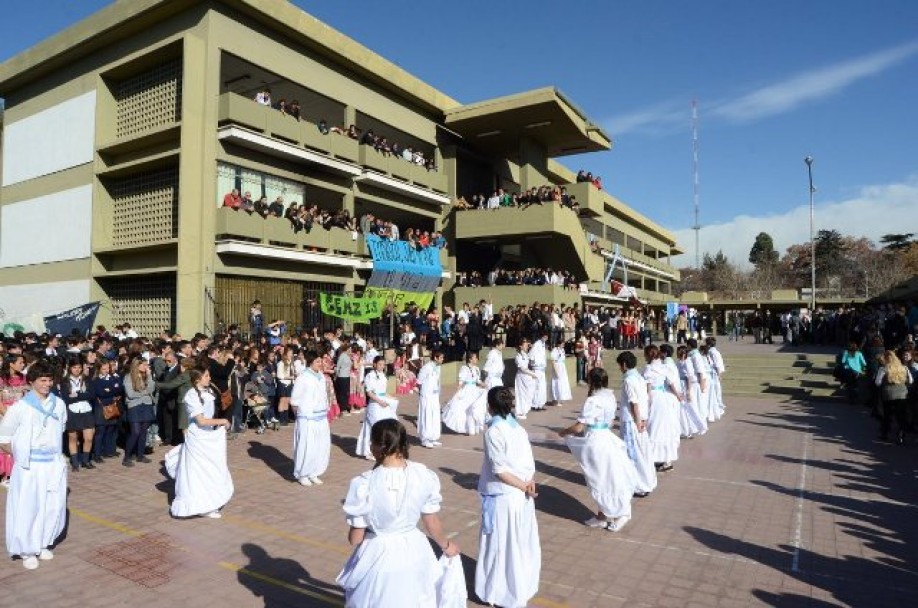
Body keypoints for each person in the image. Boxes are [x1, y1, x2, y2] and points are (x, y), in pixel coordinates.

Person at [336, 419, 460, 606]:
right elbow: (431, 521)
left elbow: (355, 539)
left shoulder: (363, 484)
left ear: (374, 446)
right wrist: (446, 545)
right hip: (415, 549)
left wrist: (355, 526)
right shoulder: (423, 475)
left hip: (379, 553)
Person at [475, 387, 540, 607]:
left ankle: (500, 593)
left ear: (490, 406)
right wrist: (529, 483)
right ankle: (517, 588)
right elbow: (529, 463)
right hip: (521, 494)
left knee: (499, 546)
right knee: (518, 545)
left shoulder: (494, 432)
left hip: (504, 496)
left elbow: (499, 470)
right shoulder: (518, 429)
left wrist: (524, 485)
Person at [0, 361, 68, 570]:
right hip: (29, 468)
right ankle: (27, 549)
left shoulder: (59, 404)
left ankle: (43, 543)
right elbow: (4, 437)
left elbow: (61, 428)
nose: (48, 384)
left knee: (52, 505)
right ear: (31, 382)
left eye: (50, 380)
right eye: (43, 380)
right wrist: (21, 455)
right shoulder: (20, 407)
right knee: (28, 507)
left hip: (52, 464)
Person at [559, 368, 638, 531]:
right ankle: (602, 516)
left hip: (596, 441)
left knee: (600, 479)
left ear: (592, 381)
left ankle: (620, 513)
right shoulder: (609, 396)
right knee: (604, 478)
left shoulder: (592, 400)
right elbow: (608, 422)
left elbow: (579, 427)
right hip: (606, 437)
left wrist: (564, 432)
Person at [165, 369, 234, 518]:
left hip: (207, 435)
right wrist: (222, 421)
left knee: (209, 469)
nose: (209, 378)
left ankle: (210, 500)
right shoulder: (191, 395)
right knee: (198, 471)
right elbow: (201, 420)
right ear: (197, 379)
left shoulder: (208, 390)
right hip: (197, 436)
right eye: (206, 376)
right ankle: (201, 505)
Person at [616, 351, 657, 497]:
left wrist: (638, 420)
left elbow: (634, 403)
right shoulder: (639, 377)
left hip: (631, 422)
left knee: (633, 454)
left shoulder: (629, 380)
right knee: (641, 452)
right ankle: (643, 482)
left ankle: (638, 484)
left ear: (624, 365)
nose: (620, 369)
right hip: (639, 419)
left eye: (620, 366)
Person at [290, 351, 330, 486]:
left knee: (320, 445)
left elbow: (324, 394)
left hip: (320, 415)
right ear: (311, 362)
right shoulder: (303, 377)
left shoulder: (321, 377)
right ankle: (303, 473)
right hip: (307, 416)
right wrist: (301, 415)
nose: (320, 364)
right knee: (307, 445)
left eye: (321, 361)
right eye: (318, 361)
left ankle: (314, 472)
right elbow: (295, 399)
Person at [642, 345, 681, 472]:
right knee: (664, 428)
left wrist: (645, 403)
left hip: (654, 397)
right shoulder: (663, 367)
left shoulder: (648, 369)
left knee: (653, 428)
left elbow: (647, 388)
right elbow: (671, 382)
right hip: (664, 398)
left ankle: (653, 458)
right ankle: (666, 459)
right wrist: (677, 395)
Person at [57, 357, 96, 472]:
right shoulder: (65, 381)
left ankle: (85, 460)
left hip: (86, 410)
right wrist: (82, 395)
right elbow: (66, 398)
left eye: (79, 367)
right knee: (73, 437)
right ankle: (75, 462)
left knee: (88, 437)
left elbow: (91, 395)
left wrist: (77, 394)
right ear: (70, 368)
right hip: (72, 411)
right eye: (74, 367)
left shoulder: (87, 380)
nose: (77, 370)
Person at [355, 357, 398, 459]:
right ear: (374, 364)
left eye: (383, 364)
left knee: (387, 425)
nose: (382, 367)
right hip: (375, 404)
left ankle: (383, 448)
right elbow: (369, 393)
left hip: (383, 402)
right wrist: (379, 401)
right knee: (375, 427)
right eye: (380, 364)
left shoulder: (383, 375)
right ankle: (369, 451)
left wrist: (390, 397)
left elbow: (383, 392)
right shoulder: (370, 376)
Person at [442, 352, 488, 436]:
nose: (477, 359)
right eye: (475, 357)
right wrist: (458, 391)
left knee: (475, 409)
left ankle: (475, 427)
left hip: (475, 390)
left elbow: (478, 380)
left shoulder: (477, 369)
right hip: (467, 390)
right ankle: (469, 428)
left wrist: (484, 385)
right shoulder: (464, 368)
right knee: (467, 409)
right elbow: (461, 381)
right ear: (470, 359)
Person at [123, 358, 156, 467]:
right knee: (135, 432)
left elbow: (151, 390)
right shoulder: (128, 377)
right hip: (134, 406)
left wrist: (150, 376)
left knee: (143, 432)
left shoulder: (146, 376)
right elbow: (130, 394)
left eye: (147, 365)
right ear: (137, 365)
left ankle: (140, 455)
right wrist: (144, 393)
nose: (146, 367)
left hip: (146, 405)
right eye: (144, 365)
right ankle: (127, 456)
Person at [875, 350, 912, 445]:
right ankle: (900, 435)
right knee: (901, 416)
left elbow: (877, 382)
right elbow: (911, 381)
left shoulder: (883, 369)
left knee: (887, 415)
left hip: (888, 395)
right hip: (902, 395)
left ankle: (885, 434)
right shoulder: (904, 367)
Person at [416, 350, 444, 448]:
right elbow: (419, 381)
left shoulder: (438, 368)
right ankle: (425, 438)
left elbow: (438, 381)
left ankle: (433, 437)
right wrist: (422, 393)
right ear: (435, 358)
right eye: (441, 358)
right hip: (427, 396)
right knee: (426, 415)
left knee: (435, 415)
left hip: (435, 396)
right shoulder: (426, 367)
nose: (442, 360)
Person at [514, 337, 538, 420]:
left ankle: (524, 410)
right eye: (525, 344)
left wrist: (531, 374)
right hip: (521, 377)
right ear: (520, 346)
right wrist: (532, 373)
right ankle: (519, 412)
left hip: (527, 377)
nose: (527, 345)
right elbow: (522, 368)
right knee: (521, 394)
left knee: (528, 394)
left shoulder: (526, 355)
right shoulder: (518, 356)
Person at [549, 338, 572, 406]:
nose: (563, 345)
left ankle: (560, 398)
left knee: (562, 383)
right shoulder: (555, 350)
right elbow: (553, 361)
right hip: (557, 366)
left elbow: (563, 358)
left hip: (562, 367)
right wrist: (556, 371)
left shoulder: (562, 350)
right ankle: (555, 399)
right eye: (562, 344)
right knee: (556, 383)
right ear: (559, 344)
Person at [529, 333, 549, 411]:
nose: (545, 338)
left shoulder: (543, 344)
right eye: (544, 336)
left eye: (546, 337)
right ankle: (534, 405)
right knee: (537, 387)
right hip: (537, 368)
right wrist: (533, 364)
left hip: (542, 368)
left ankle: (540, 404)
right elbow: (531, 355)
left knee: (542, 387)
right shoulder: (536, 344)